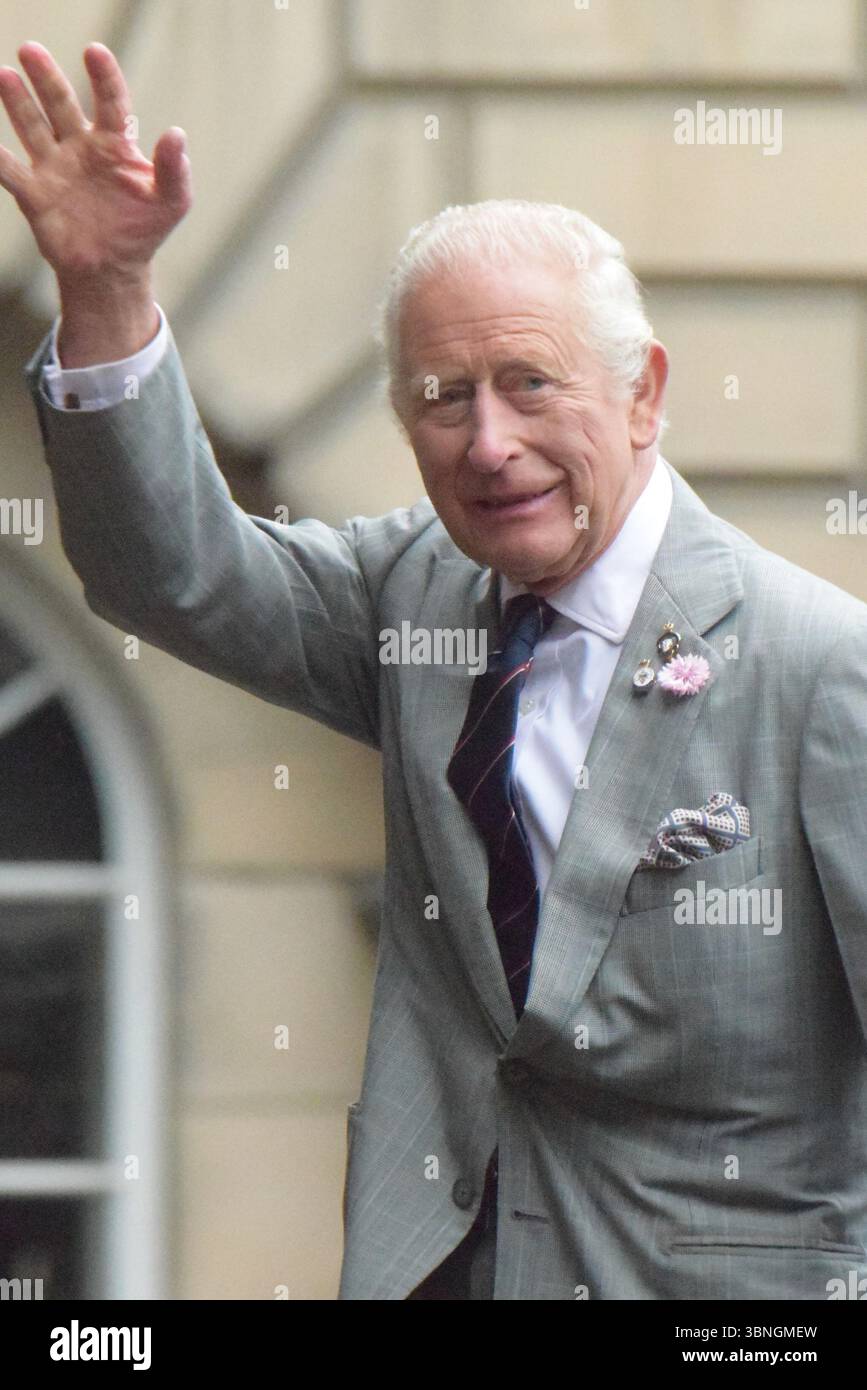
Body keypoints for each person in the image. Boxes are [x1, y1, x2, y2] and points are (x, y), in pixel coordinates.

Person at [3, 40, 867, 1302]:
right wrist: (107, 290)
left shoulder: (818, 668)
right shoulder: (408, 599)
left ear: (644, 395)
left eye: (528, 383)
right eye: (442, 397)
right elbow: (168, 575)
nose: (491, 442)